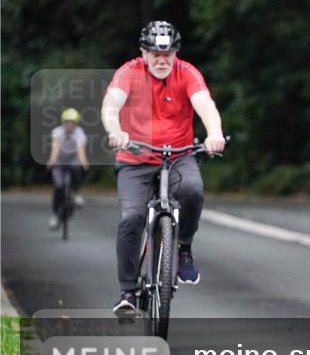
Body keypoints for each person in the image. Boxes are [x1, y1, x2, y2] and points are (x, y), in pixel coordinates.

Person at [101, 21, 226, 315]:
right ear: (143, 53)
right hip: (135, 158)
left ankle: (183, 247)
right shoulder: (128, 73)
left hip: (179, 154)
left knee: (192, 191)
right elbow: (110, 105)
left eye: (168, 53)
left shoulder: (187, 73)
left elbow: (205, 105)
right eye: (155, 53)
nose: (162, 59)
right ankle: (128, 293)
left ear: (176, 53)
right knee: (131, 218)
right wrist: (116, 131)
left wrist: (214, 134)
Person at [46, 107, 90, 229]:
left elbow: (80, 148)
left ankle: (75, 194)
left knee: (76, 170)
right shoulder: (57, 132)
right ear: (64, 122)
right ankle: (55, 216)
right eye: (68, 122)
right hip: (60, 162)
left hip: (72, 161)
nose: (70, 125)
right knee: (58, 187)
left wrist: (83, 161)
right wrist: (52, 160)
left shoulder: (79, 133)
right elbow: (55, 147)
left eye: (73, 123)